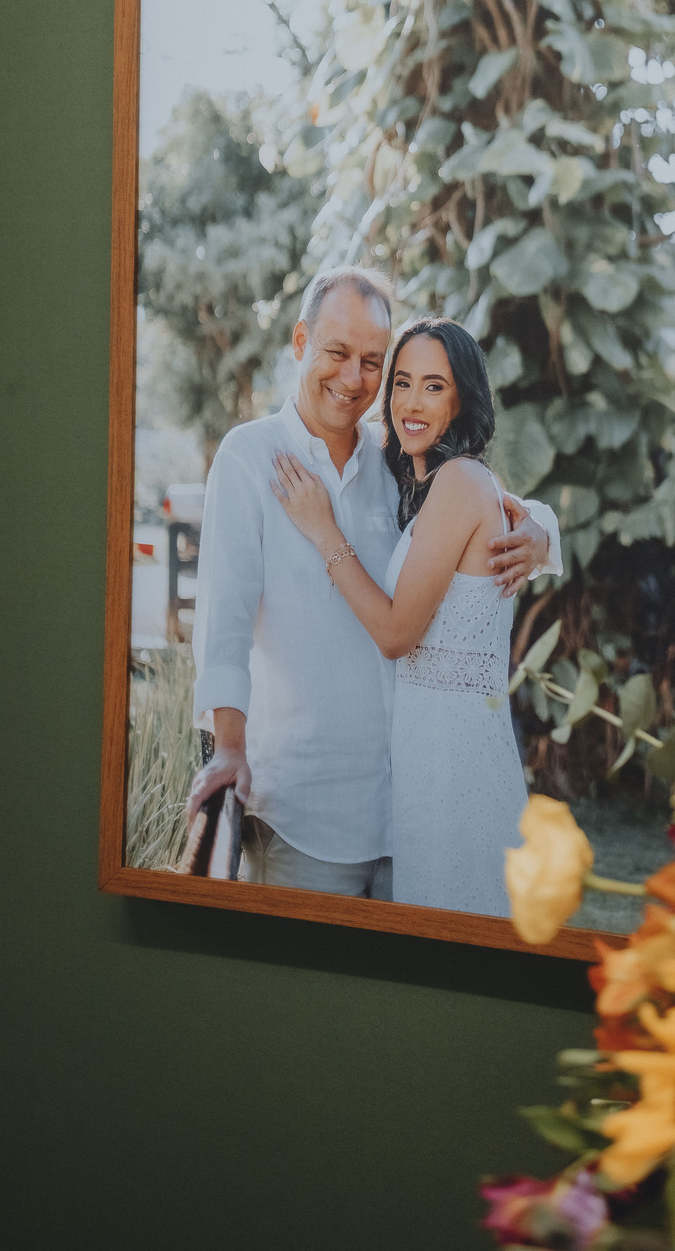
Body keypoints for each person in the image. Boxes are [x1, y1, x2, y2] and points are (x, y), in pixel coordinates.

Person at [186, 269, 560, 899]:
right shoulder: (249, 458)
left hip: (407, 810)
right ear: (300, 341)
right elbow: (223, 625)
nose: (353, 378)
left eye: (370, 362)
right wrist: (227, 748)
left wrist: (543, 533)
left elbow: (487, 504)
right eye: (336, 353)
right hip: (303, 812)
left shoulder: (396, 461)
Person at [270, 318, 530, 915]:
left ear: (464, 398)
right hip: (425, 748)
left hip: (455, 756)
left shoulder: (460, 480)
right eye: (403, 383)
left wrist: (324, 531)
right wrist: (540, 530)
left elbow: (394, 634)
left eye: (434, 387)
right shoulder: (428, 482)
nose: (411, 403)